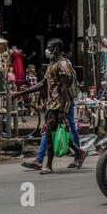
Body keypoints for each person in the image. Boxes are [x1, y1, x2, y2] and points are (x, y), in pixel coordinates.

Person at [13, 38, 86, 174]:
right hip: (52, 103)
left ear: (56, 49)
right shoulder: (52, 64)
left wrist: (63, 110)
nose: (47, 50)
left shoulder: (63, 65)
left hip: (60, 104)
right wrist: (22, 92)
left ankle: (48, 165)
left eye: (49, 47)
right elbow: (42, 84)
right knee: (55, 132)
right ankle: (79, 152)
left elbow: (64, 88)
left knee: (49, 133)